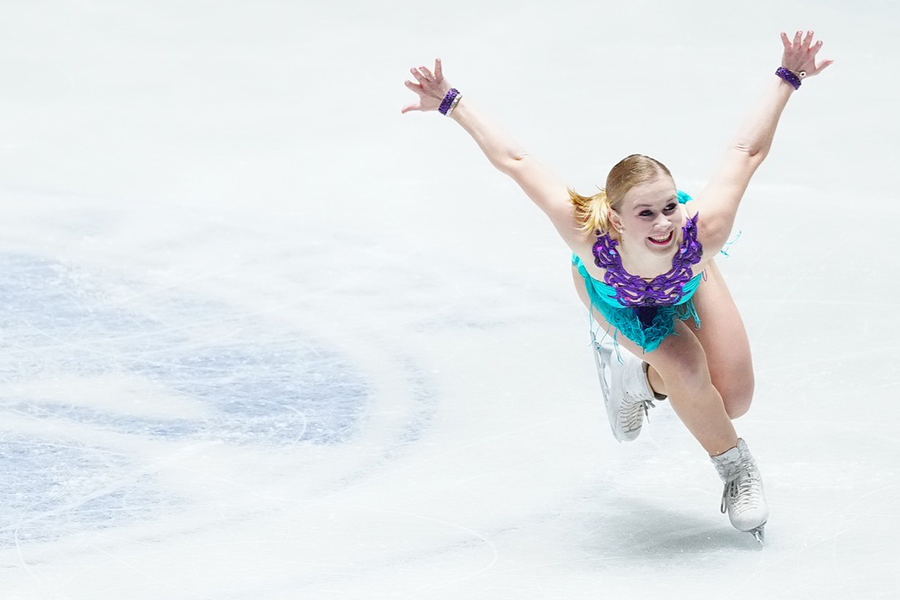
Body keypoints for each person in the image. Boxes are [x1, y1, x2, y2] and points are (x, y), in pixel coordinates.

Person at [401, 31, 832, 545]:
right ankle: (737, 472)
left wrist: (788, 75)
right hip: (618, 297)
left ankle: (637, 382)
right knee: (687, 366)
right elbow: (516, 160)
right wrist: (451, 101)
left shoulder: (702, 233)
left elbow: (746, 151)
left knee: (732, 397)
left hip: (687, 283)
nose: (663, 223)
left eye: (670, 206)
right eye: (645, 213)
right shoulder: (588, 234)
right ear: (618, 218)